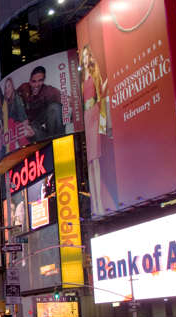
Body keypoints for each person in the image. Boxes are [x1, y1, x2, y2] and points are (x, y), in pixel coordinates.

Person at [81, 45, 110, 216]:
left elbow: (101, 93)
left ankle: (100, 203)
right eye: (83, 56)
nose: (85, 59)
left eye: (87, 55)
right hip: (85, 116)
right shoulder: (80, 76)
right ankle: (95, 204)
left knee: (96, 159)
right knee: (91, 161)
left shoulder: (94, 72)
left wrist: (103, 123)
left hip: (94, 113)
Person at [17, 66, 64, 141]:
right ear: (30, 81)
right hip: (30, 125)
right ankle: (47, 143)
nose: (36, 85)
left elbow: (64, 99)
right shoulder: (23, 88)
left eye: (40, 81)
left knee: (55, 107)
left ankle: (57, 140)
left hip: (45, 121)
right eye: (34, 81)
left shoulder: (48, 90)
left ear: (43, 80)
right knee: (32, 130)